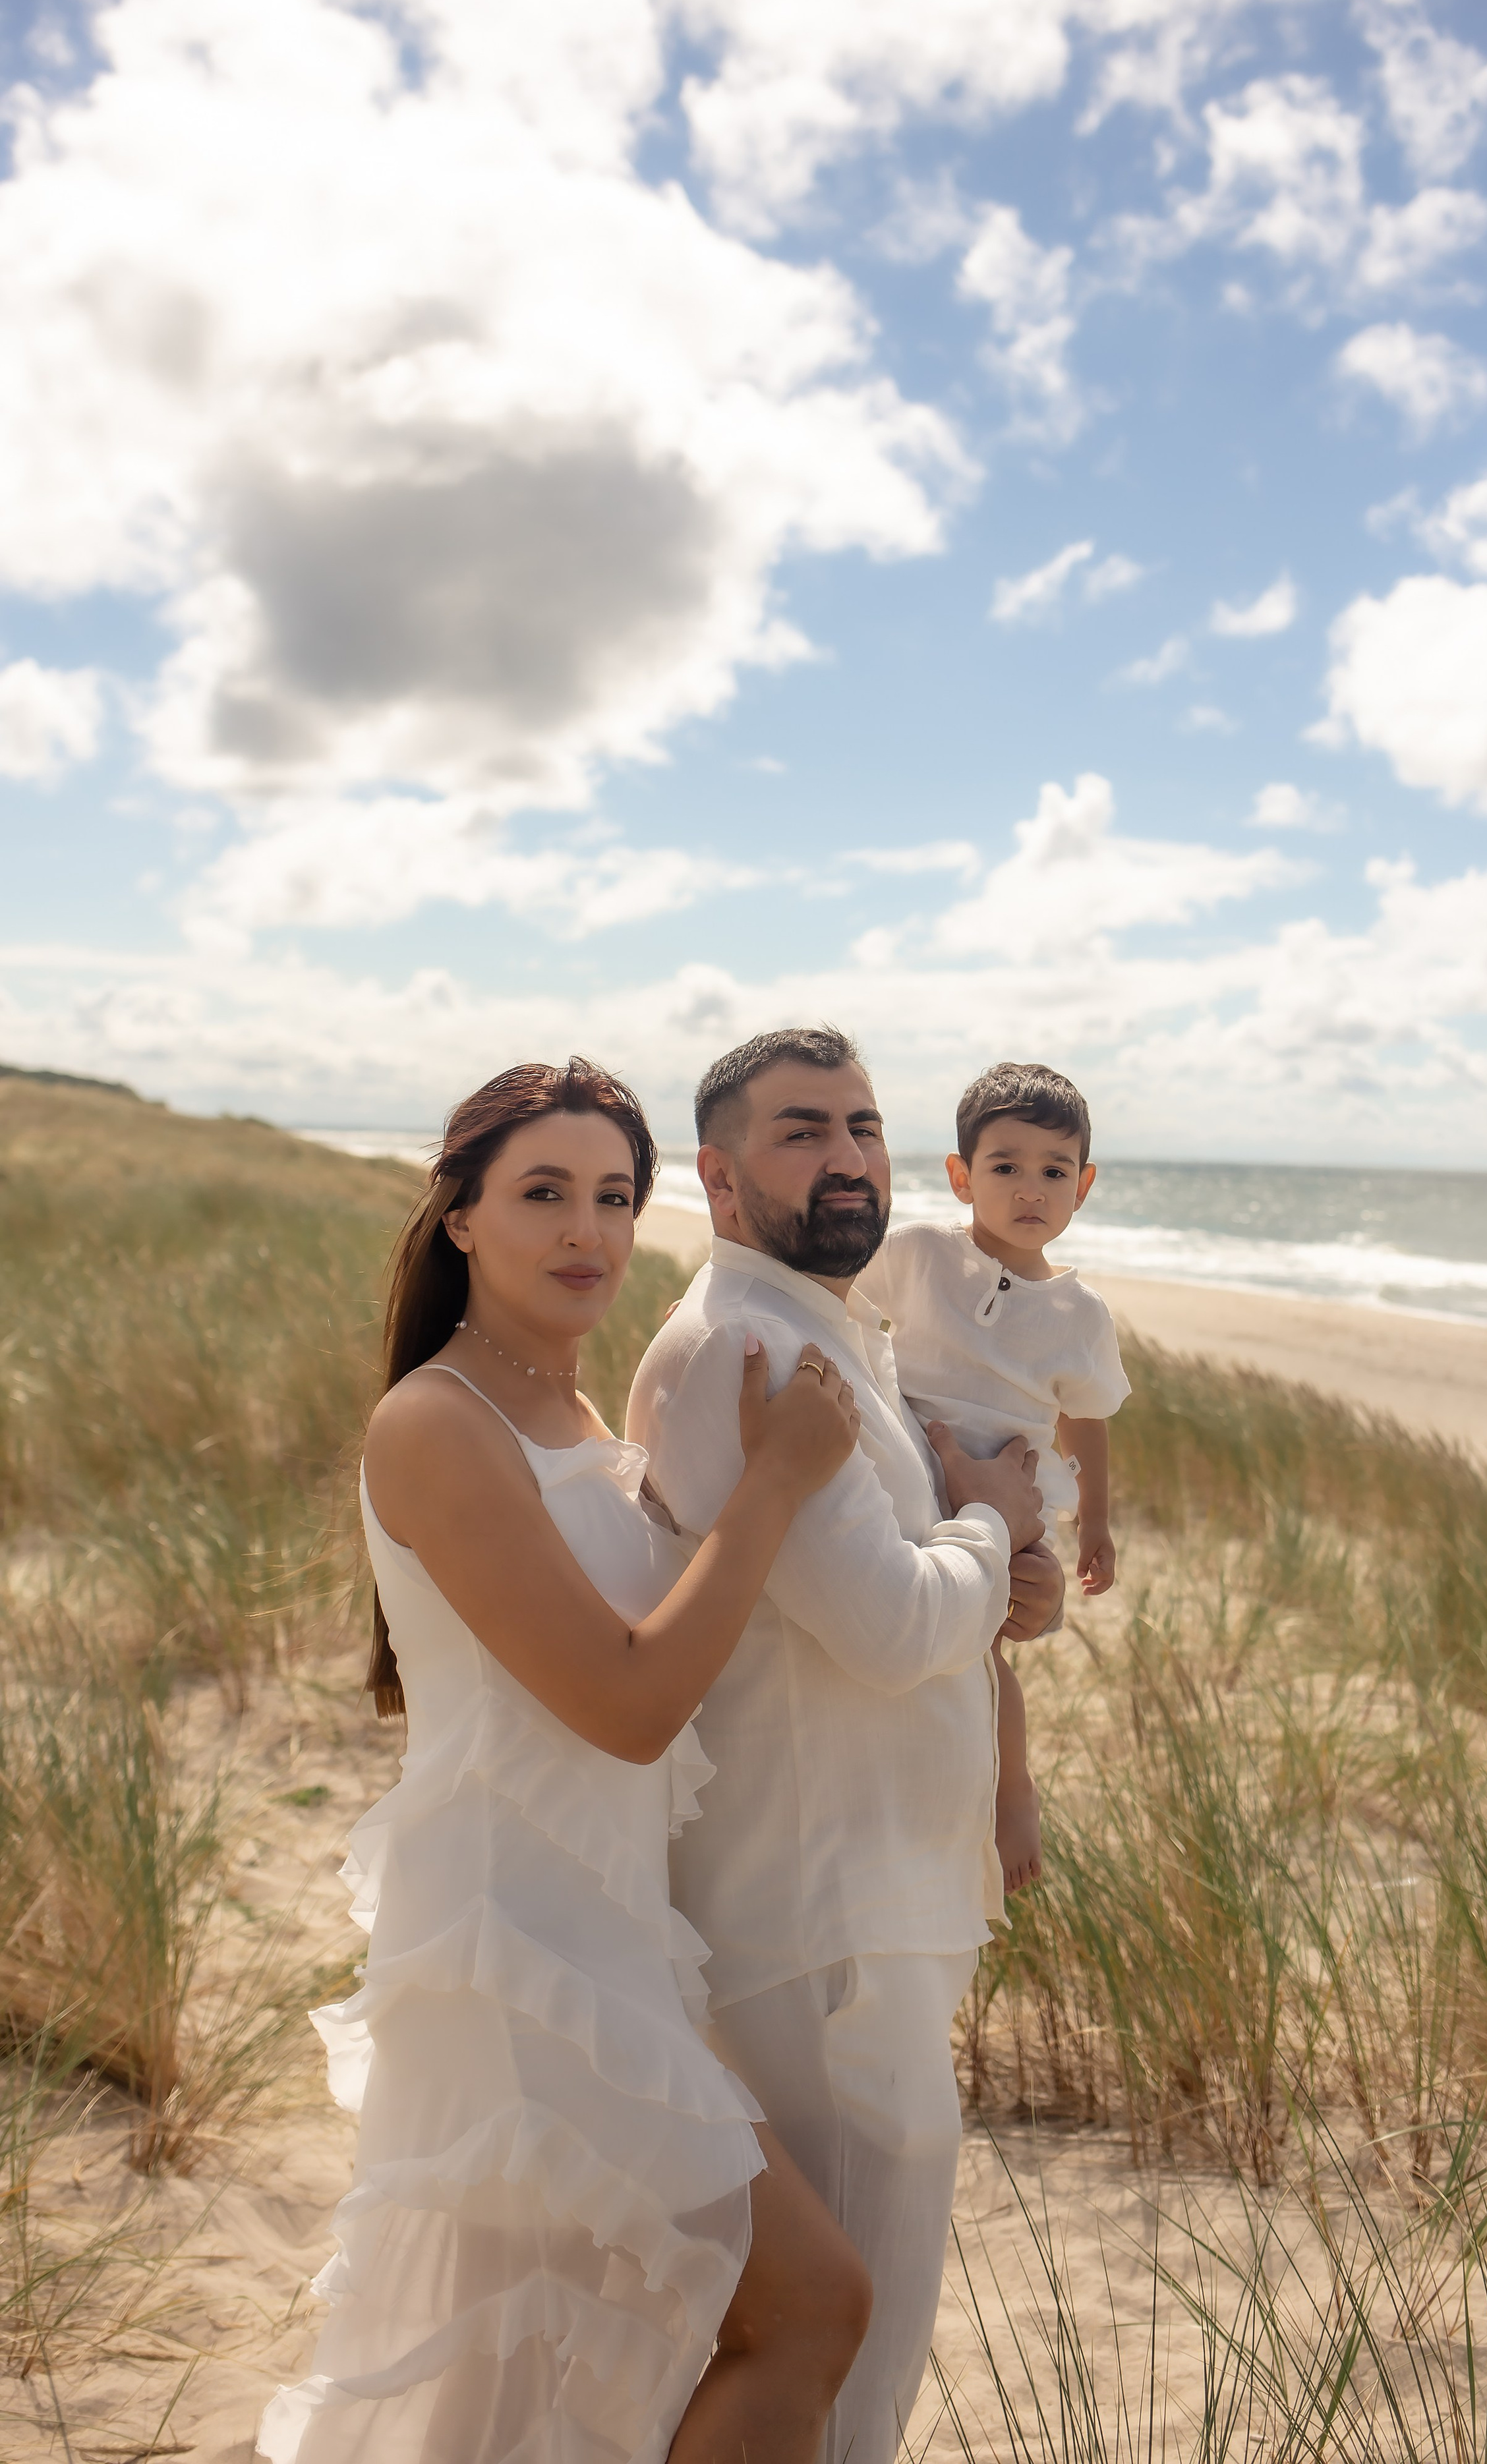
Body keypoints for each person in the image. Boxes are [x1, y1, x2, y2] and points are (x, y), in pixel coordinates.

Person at [258, 1058, 872, 2464]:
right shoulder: (437, 1422)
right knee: (810, 2306)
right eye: (543, 1194)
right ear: (462, 1217)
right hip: (508, 1943)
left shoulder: (580, 1419)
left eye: (613, 1196)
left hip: (608, 1934)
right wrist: (778, 1482)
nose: (586, 1230)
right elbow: (627, 1699)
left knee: (552, 2362)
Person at [625, 1027, 1063, 2464]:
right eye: (802, 1132)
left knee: (845, 2341)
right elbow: (884, 1626)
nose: (848, 1159)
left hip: (864, 1905)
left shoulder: (825, 1332)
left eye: (864, 1128)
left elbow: (906, 1597)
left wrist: (987, 1553)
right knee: (846, 2350)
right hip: (815, 1922)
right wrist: (992, 1520)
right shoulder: (743, 1349)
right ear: (719, 1173)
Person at [855, 1061, 1131, 1899]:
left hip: (1006, 1508)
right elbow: (830, 1310)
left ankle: (1014, 1793)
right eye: (1004, 1166)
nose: (1029, 1189)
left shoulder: (1078, 1316)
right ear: (960, 1175)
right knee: (890, 1623)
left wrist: (1094, 1524)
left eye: (1053, 1171)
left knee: (983, 1655)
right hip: (902, 1471)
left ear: (1081, 1187)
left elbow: (1086, 1420)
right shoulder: (916, 1256)